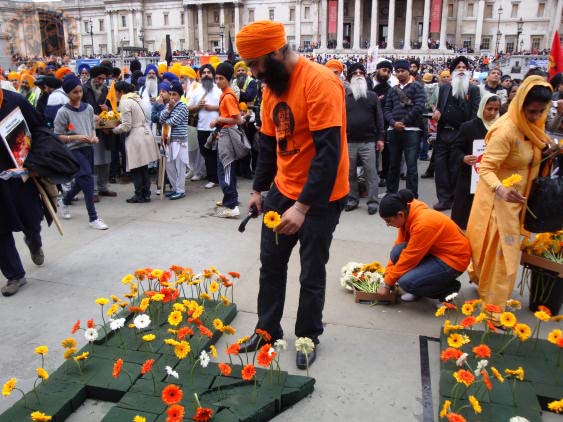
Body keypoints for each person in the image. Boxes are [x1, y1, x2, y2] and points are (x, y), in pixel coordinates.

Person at [235, 20, 349, 369]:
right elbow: (268, 144)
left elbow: (328, 155)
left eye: (256, 64)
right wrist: (258, 189)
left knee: (311, 271)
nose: (254, 73)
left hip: (323, 196)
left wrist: (302, 207)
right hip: (283, 190)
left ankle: (307, 336)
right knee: (270, 264)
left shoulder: (319, 82)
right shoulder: (271, 87)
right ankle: (267, 330)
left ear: (276, 52)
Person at [466, 76, 561, 325]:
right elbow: (486, 168)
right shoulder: (505, 131)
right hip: (499, 202)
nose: (536, 116)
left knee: (496, 252)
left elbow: (533, 157)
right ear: (520, 106)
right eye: (531, 111)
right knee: (504, 254)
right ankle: (495, 309)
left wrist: (549, 152)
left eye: (541, 111)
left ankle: (486, 286)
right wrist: (501, 189)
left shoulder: (534, 129)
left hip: (521, 201)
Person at [377, 190, 470, 302]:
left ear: (400, 214)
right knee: (397, 252)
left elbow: (410, 258)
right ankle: (418, 288)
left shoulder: (423, 224)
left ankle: (449, 290)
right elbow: (399, 246)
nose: (388, 225)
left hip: (453, 260)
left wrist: (387, 284)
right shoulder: (406, 211)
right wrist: (387, 276)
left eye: (388, 221)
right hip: (435, 252)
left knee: (406, 282)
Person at [0, 88, 46, 296]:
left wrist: (36, 160)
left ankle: (33, 240)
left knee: (31, 218)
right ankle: (15, 275)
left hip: (21, 175)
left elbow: (39, 128)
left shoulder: (15, 101)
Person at [53, 75, 108, 230]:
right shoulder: (63, 112)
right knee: (88, 180)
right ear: (67, 93)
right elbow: (57, 136)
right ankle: (93, 217)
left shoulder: (88, 108)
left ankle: (64, 201)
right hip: (73, 150)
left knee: (82, 181)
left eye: (80, 91)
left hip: (88, 148)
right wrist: (76, 137)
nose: (78, 95)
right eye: (74, 92)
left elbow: (91, 127)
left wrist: (94, 137)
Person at [432, 56, 480, 211]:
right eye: (458, 67)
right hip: (444, 132)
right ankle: (443, 199)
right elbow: (440, 107)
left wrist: (467, 134)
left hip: (460, 134)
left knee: (456, 168)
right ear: (452, 71)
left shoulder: (473, 90)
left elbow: (474, 113)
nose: (461, 70)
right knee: (440, 167)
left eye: (464, 68)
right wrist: (437, 112)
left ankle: (455, 198)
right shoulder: (445, 88)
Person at [451, 93, 500, 229]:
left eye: (496, 109)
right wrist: (463, 157)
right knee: (464, 217)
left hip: (494, 177)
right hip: (470, 178)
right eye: (489, 109)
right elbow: (456, 148)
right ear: (482, 107)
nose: (493, 113)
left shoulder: (502, 128)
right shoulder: (468, 127)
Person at [344, 62, 385, 215]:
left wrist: (380, 138)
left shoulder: (372, 96)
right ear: (350, 78)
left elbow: (379, 119)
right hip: (349, 142)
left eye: (361, 73)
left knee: (371, 173)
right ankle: (352, 199)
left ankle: (373, 202)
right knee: (350, 173)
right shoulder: (345, 98)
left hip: (369, 141)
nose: (358, 75)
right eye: (355, 73)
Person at [383, 59, 426, 198]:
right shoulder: (392, 90)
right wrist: (393, 123)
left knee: (411, 166)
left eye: (403, 71)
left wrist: (403, 122)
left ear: (408, 72)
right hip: (394, 130)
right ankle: (391, 195)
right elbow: (387, 109)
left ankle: (411, 197)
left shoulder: (417, 87)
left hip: (411, 130)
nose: (400, 73)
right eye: (397, 71)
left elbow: (419, 107)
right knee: (393, 165)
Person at [111, 81, 159, 203]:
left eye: (116, 92)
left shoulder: (125, 101)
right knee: (144, 168)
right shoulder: (137, 98)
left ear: (121, 91)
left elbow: (126, 126)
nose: (115, 94)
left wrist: (114, 130)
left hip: (136, 136)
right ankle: (146, 194)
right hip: (145, 132)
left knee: (136, 167)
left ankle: (139, 195)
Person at [210, 62, 244, 218]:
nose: (218, 81)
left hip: (227, 136)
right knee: (223, 169)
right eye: (216, 78)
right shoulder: (226, 94)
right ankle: (229, 199)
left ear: (228, 79)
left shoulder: (228, 96)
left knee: (226, 170)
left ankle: (232, 205)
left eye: (221, 78)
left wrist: (219, 120)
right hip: (224, 135)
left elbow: (237, 119)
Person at [81, 65, 118, 202]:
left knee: (106, 160)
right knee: (94, 161)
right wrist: (93, 116)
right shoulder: (85, 89)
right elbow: (80, 108)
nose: (101, 81)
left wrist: (107, 109)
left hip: (105, 130)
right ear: (93, 77)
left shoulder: (106, 90)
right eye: (99, 78)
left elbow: (112, 108)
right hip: (90, 130)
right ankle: (93, 190)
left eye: (103, 79)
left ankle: (103, 187)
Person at [188, 64, 222, 189]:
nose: (206, 74)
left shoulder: (219, 90)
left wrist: (212, 107)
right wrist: (198, 106)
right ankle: (211, 177)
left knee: (217, 153)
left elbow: (226, 107)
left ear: (213, 75)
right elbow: (189, 108)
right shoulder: (196, 91)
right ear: (200, 76)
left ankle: (216, 178)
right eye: (204, 73)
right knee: (205, 153)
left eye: (209, 72)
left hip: (217, 127)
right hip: (202, 127)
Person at [159, 80, 190, 200]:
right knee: (169, 166)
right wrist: (168, 110)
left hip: (179, 141)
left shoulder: (183, 106)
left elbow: (173, 121)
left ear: (180, 95)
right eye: (170, 94)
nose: (172, 97)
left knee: (180, 167)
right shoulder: (169, 106)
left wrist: (165, 121)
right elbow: (161, 118)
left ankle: (180, 190)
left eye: (174, 94)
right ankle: (174, 188)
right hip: (168, 140)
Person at [373, 60, 393, 188]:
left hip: (383, 124)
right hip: (368, 124)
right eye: (384, 70)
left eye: (389, 72)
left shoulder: (388, 89)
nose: (386, 74)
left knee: (385, 152)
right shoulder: (367, 83)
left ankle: (384, 176)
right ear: (377, 70)